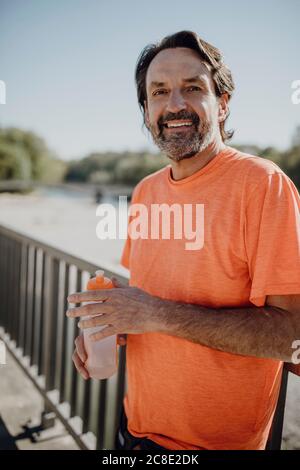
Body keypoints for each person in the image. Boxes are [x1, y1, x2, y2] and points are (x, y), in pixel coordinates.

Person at [68, 30, 300, 450]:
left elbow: (293, 338)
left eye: (192, 88)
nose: (174, 104)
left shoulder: (264, 185)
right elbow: (151, 298)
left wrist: (154, 313)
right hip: (135, 430)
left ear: (223, 103)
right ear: (146, 110)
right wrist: (109, 321)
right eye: (159, 92)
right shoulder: (145, 191)